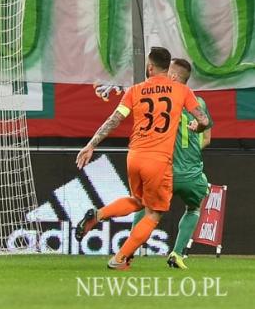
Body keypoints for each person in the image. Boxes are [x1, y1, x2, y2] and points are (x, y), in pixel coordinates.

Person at [74, 47, 211, 270]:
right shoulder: (181, 91)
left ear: (150, 67)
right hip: (158, 161)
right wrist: (199, 125)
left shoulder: (135, 90)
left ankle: (98, 215)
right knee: (153, 213)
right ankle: (120, 259)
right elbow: (203, 120)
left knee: (138, 201)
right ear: (168, 69)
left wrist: (91, 145)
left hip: (135, 156)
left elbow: (115, 119)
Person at [129, 58, 213, 269]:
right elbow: (207, 137)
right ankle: (177, 253)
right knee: (194, 208)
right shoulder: (199, 103)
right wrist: (189, 150)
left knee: (145, 206)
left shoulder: (164, 100)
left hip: (163, 169)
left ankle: (128, 251)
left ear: (173, 76)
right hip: (191, 173)